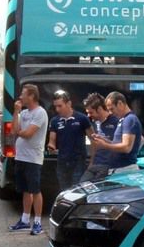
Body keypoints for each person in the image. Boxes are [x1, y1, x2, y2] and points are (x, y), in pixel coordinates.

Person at [8, 83, 49, 236]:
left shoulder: (40, 113)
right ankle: (25, 220)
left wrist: (19, 131)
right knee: (25, 189)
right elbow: (14, 130)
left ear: (31, 96)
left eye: (23, 94)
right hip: (21, 156)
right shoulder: (24, 113)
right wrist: (16, 112)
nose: (20, 97)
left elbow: (28, 134)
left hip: (33, 158)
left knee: (35, 190)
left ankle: (37, 221)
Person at [90, 91, 144, 174]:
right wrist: (104, 140)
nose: (111, 113)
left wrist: (105, 145)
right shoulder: (123, 120)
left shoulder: (130, 119)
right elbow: (119, 143)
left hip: (125, 170)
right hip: (119, 169)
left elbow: (126, 147)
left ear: (120, 103)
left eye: (112, 109)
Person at [48, 91, 90, 192]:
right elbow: (52, 140)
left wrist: (92, 159)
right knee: (64, 190)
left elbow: (92, 138)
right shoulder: (55, 121)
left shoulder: (81, 118)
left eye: (60, 106)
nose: (57, 109)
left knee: (76, 189)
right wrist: (51, 147)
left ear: (69, 104)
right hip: (62, 160)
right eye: (55, 107)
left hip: (78, 159)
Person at [81, 93, 119, 182]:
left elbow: (137, 141)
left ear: (99, 109)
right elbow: (94, 144)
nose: (88, 116)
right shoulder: (95, 122)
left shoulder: (116, 121)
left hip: (108, 167)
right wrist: (91, 163)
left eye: (91, 112)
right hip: (95, 164)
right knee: (80, 186)